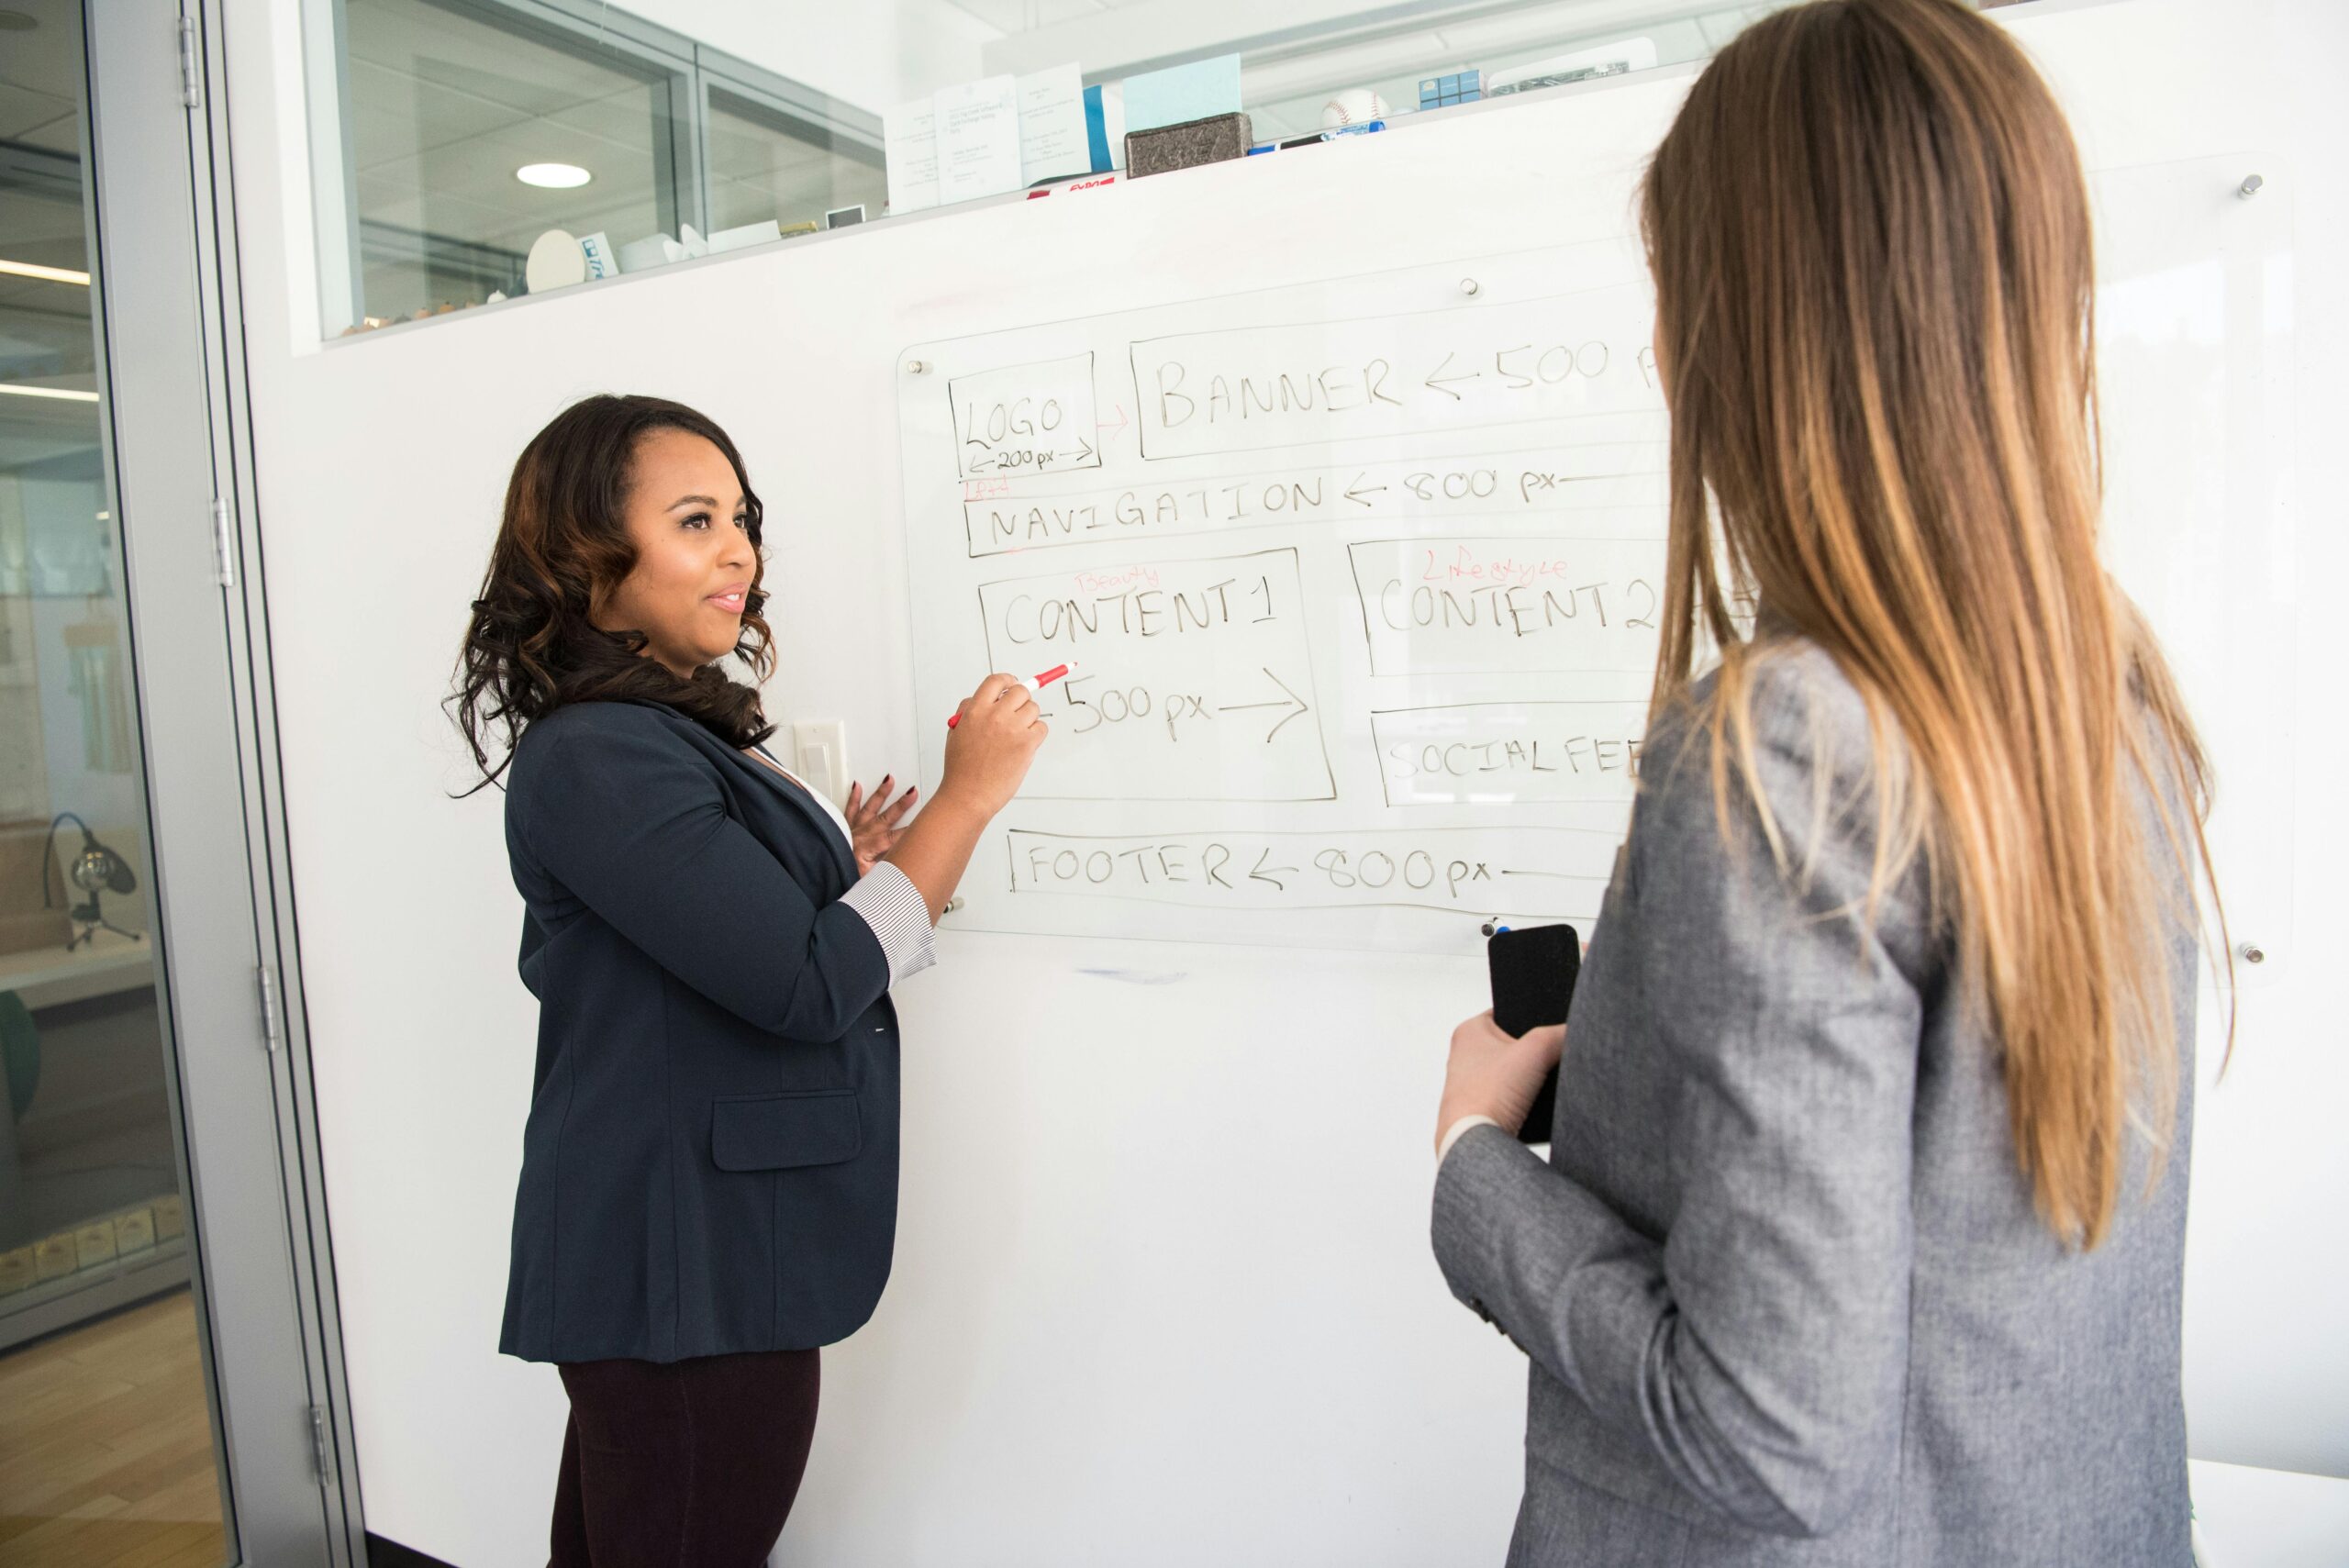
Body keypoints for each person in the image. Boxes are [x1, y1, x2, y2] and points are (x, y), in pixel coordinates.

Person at [1428, 2, 2225, 1563]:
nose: (1662, 351)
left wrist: (1472, 1163)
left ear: (1756, 326)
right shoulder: (2109, 709)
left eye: (1675, 292)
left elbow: (1772, 1434)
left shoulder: (1794, 737)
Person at [450, 394, 1046, 1566]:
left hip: (705, 1257)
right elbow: (808, 981)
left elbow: (752, 944)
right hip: (688, 1268)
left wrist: (859, 870)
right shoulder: (599, 752)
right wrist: (967, 798)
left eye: (740, 517)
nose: (739, 550)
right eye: (694, 520)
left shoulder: (674, 730)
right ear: (588, 559)